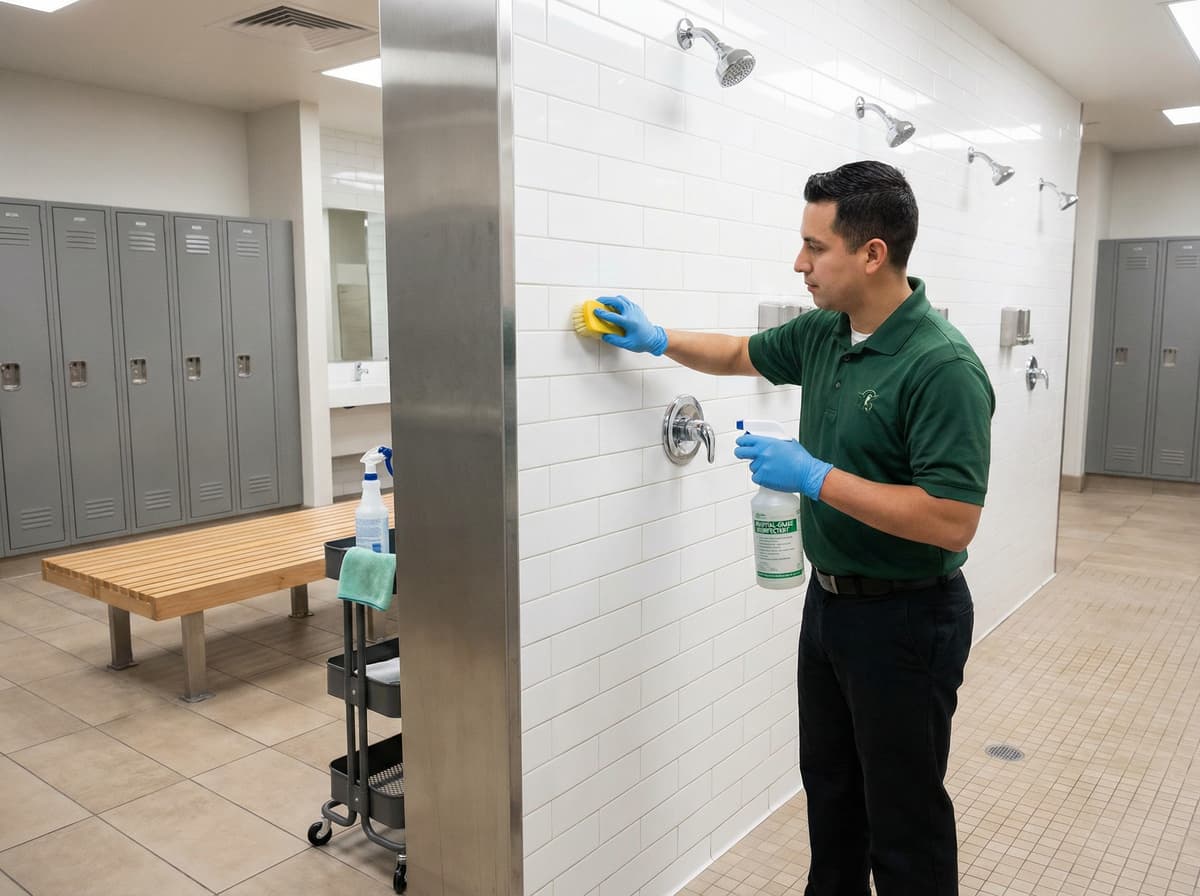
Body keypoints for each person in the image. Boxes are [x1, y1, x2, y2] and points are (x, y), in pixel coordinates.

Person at [592, 160, 994, 896]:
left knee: (903, 822)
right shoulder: (826, 333)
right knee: (833, 797)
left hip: (909, 617)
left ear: (872, 253)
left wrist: (816, 477)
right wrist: (656, 339)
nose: (799, 262)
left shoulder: (942, 365)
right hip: (831, 605)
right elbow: (740, 353)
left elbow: (951, 517)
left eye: (816, 247)